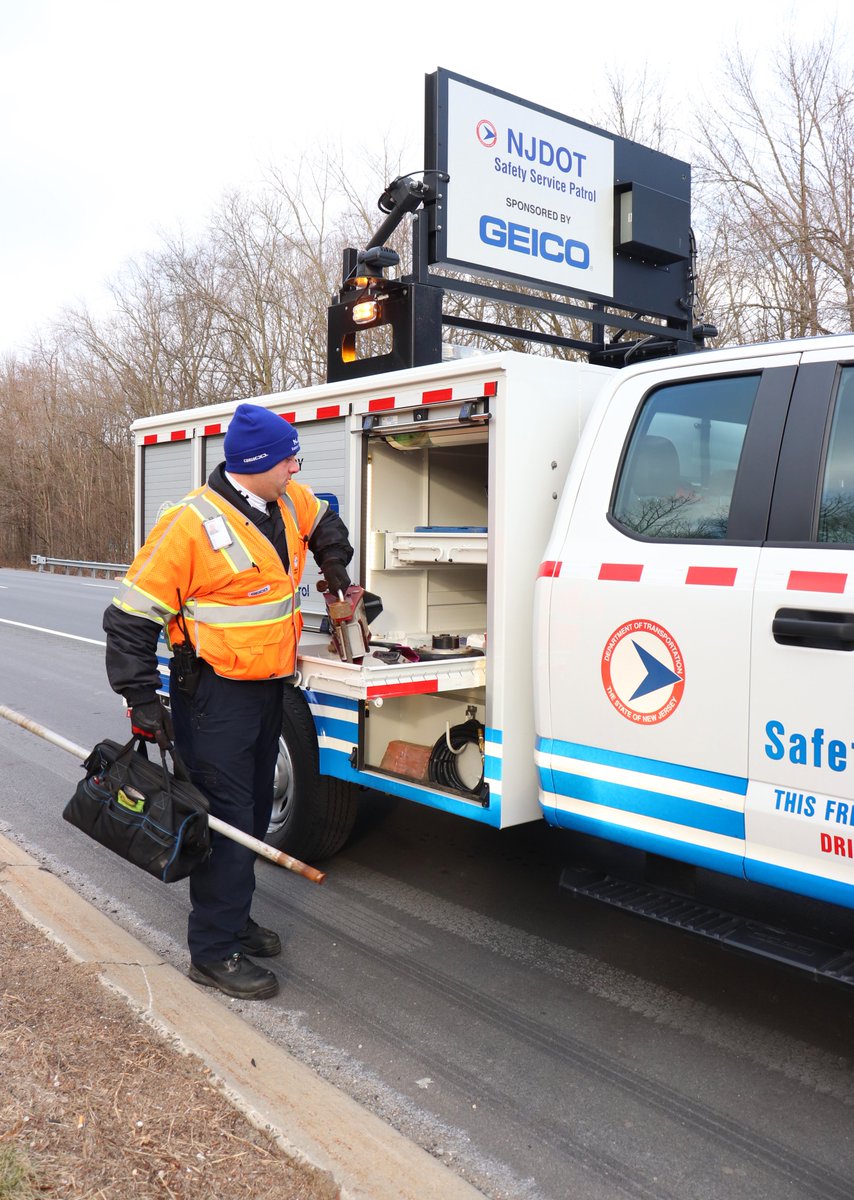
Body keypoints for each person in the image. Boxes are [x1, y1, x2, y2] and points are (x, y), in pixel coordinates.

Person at [103, 403, 354, 1000]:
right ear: (258, 463)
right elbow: (129, 618)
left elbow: (327, 525)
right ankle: (213, 951)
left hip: (270, 689)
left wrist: (336, 569)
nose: (297, 466)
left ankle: (234, 918)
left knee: (250, 811)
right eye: (290, 457)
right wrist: (141, 698)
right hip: (215, 697)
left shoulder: (288, 501)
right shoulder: (189, 524)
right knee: (228, 819)